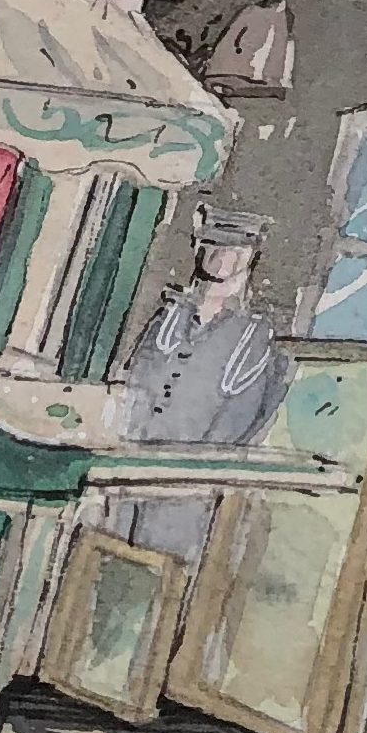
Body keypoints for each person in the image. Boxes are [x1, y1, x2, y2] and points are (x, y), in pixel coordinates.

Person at [112, 209, 290, 556]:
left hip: (185, 491)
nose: (222, 258)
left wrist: (190, 475)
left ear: (250, 258)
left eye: (234, 251)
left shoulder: (253, 336)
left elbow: (238, 422)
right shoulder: (169, 315)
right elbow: (134, 382)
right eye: (214, 247)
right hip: (126, 471)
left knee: (161, 563)